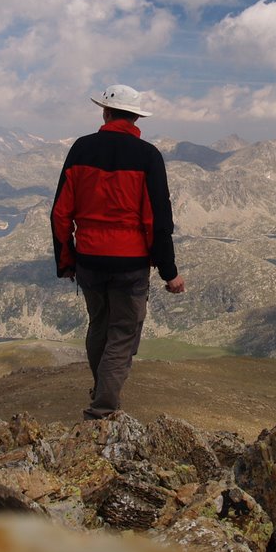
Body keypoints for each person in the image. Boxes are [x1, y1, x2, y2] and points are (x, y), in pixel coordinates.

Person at [51, 84, 186, 420]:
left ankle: (101, 393)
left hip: (90, 260)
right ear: (137, 117)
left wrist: (66, 260)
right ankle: (102, 410)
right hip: (130, 263)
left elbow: (59, 213)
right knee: (123, 333)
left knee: (99, 324)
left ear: (105, 112)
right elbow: (158, 220)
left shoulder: (81, 149)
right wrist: (169, 273)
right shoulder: (148, 156)